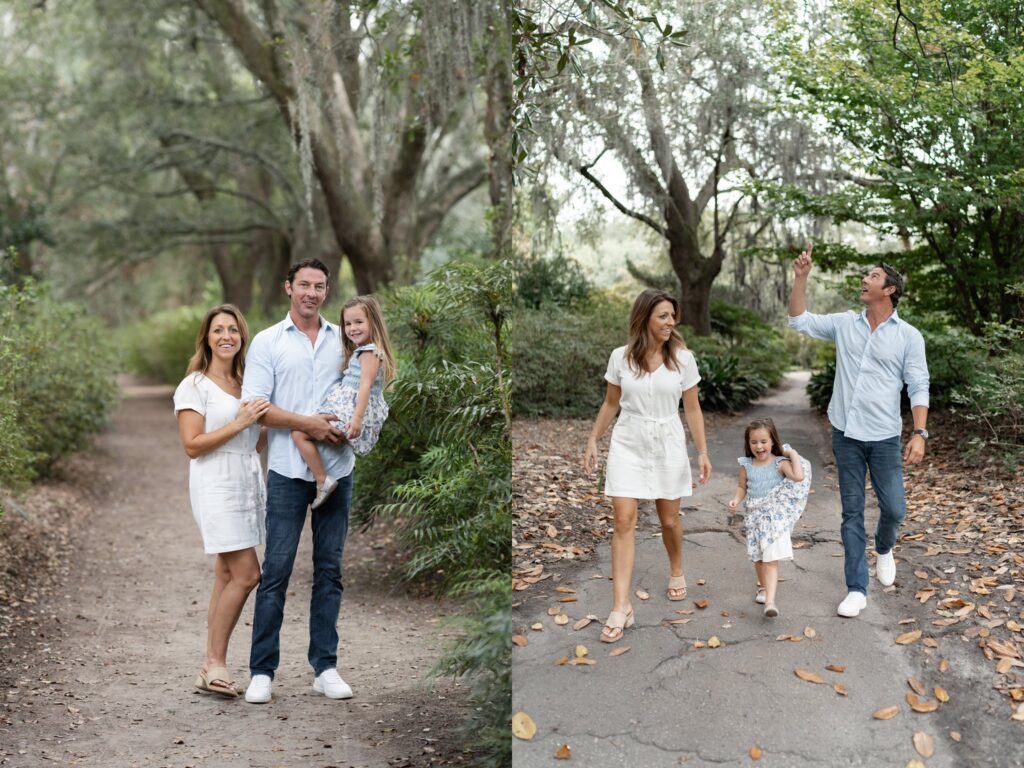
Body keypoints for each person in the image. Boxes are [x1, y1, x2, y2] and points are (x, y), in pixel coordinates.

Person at [788, 243, 929, 618]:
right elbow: (799, 320)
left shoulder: (908, 337)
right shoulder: (844, 323)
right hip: (846, 433)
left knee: (895, 509)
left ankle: (884, 548)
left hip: (884, 436)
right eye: (867, 275)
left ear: (889, 291)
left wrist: (920, 432)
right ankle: (856, 588)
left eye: (873, 276)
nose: (864, 280)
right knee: (851, 513)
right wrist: (800, 279)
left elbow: (918, 384)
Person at [240, 258, 356, 703]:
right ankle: (262, 671)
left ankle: (325, 667)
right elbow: (256, 405)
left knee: (330, 570)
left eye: (320, 286)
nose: (311, 292)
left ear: (327, 291)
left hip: (337, 469)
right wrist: (306, 423)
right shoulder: (269, 342)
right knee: (277, 570)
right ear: (288, 287)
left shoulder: (343, 339)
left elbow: (362, 383)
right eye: (304, 284)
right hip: (288, 470)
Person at [583, 288, 712, 643]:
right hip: (629, 440)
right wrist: (594, 438)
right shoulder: (620, 358)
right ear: (645, 318)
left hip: (668, 440)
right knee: (623, 519)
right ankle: (620, 606)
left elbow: (693, 408)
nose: (671, 322)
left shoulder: (683, 359)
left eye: (673, 316)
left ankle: (676, 569)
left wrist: (701, 451)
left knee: (669, 519)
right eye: (664, 316)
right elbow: (611, 403)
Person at [173, 304, 270, 698]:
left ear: (242, 336)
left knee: (227, 575)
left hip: (247, 478)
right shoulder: (194, 385)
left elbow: (256, 438)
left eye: (233, 329)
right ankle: (215, 663)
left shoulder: (248, 382)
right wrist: (240, 424)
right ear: (206, 338)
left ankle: (209, 667)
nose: (226, 336)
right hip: (215, 482)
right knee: (248, 574)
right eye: (218, 330)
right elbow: (192, 446)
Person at [292, 295, 396, 509]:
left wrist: (356, 419)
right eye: (348, 323)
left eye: (359, 322)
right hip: (348, 408)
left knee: (298, 433)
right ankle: (322, 477)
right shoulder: (364, 350)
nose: (352, 328)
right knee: (309, 432)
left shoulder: (370, 352)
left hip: (351, 412)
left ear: (373, 322)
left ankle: (322, 479)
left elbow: (365, 385)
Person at [727, 418, 810, 618]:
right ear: (748, 444)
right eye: (754, 442)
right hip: (755, 518)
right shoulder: (746, 465)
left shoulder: (780, 463)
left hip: (774, 520)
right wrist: (736, 500)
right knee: (759, 558)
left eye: (764, 441)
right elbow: (742, 487)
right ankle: (763, 588)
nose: (759, 446)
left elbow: (798, 477)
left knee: (770, 559)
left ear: (773, 441)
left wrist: (792, 454)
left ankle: (770, 602)